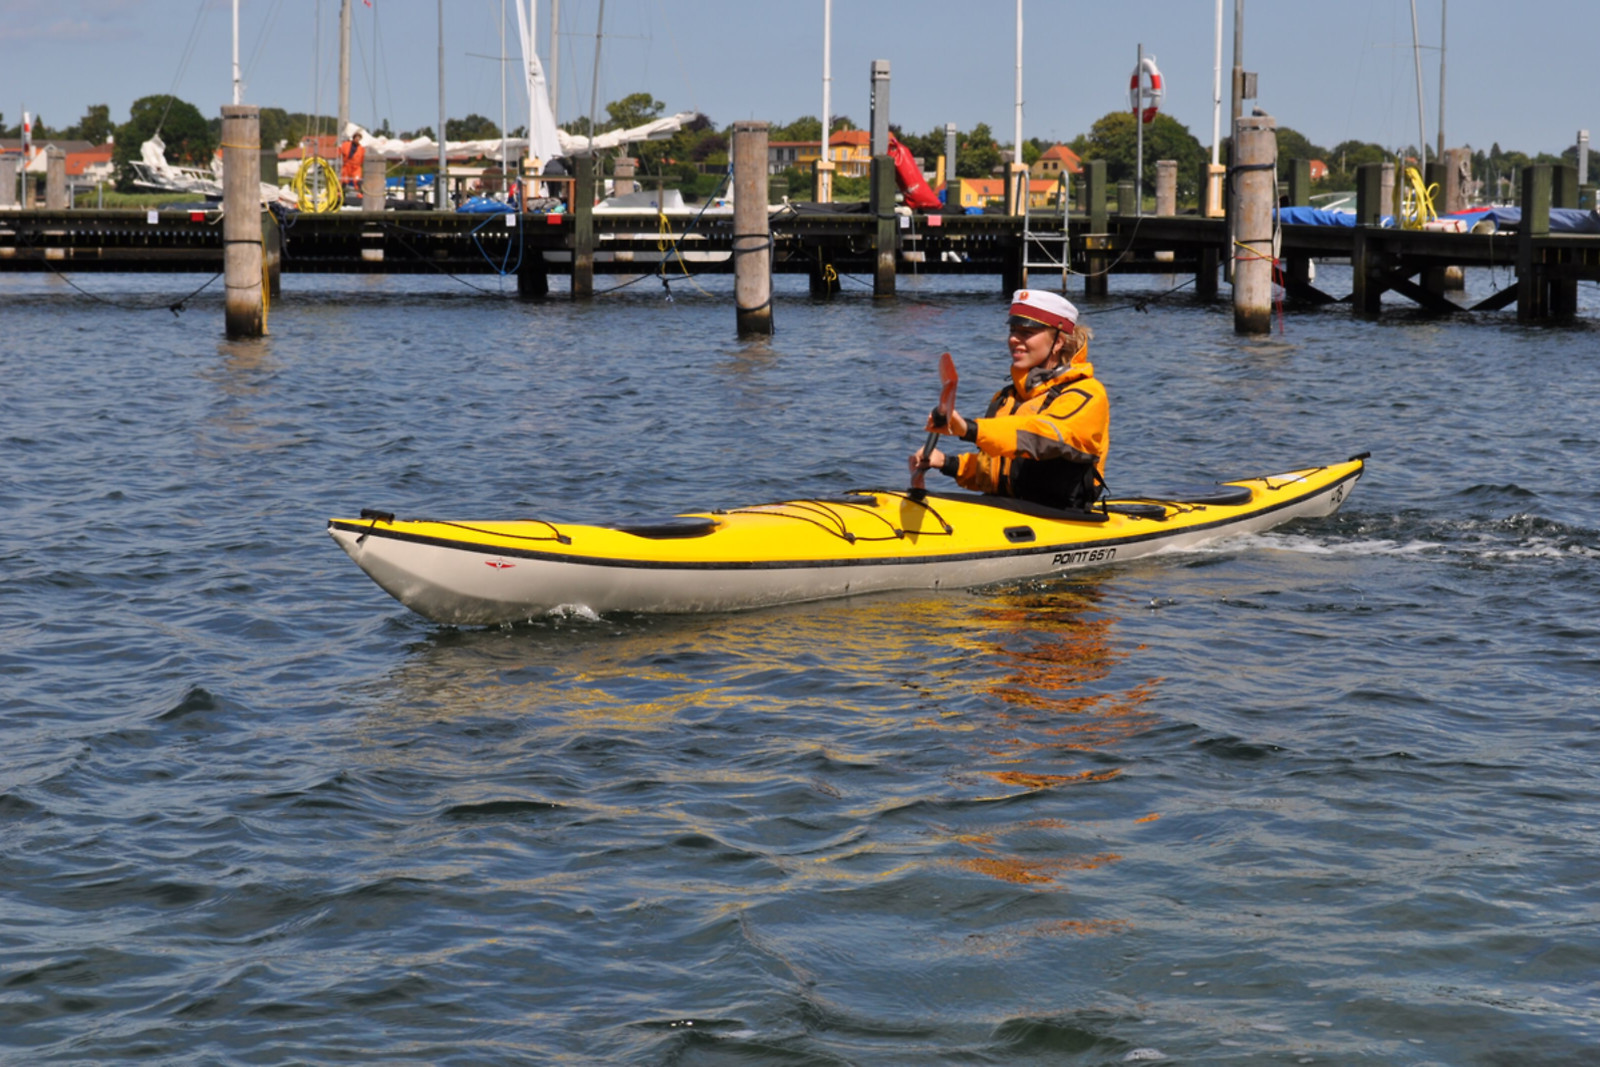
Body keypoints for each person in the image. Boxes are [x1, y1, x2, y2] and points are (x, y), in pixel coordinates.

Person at [910, 289, 1108, 511]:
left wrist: (969, 429)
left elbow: (1042, 436)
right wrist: (946, 463)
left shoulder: (1087, 394)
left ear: (1058, 342)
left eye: (1026, 332)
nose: (1014, 339)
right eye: (1013, 330)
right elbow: (997, 472)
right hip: (1008, 511)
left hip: (1059, 516)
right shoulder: (1006, 398)